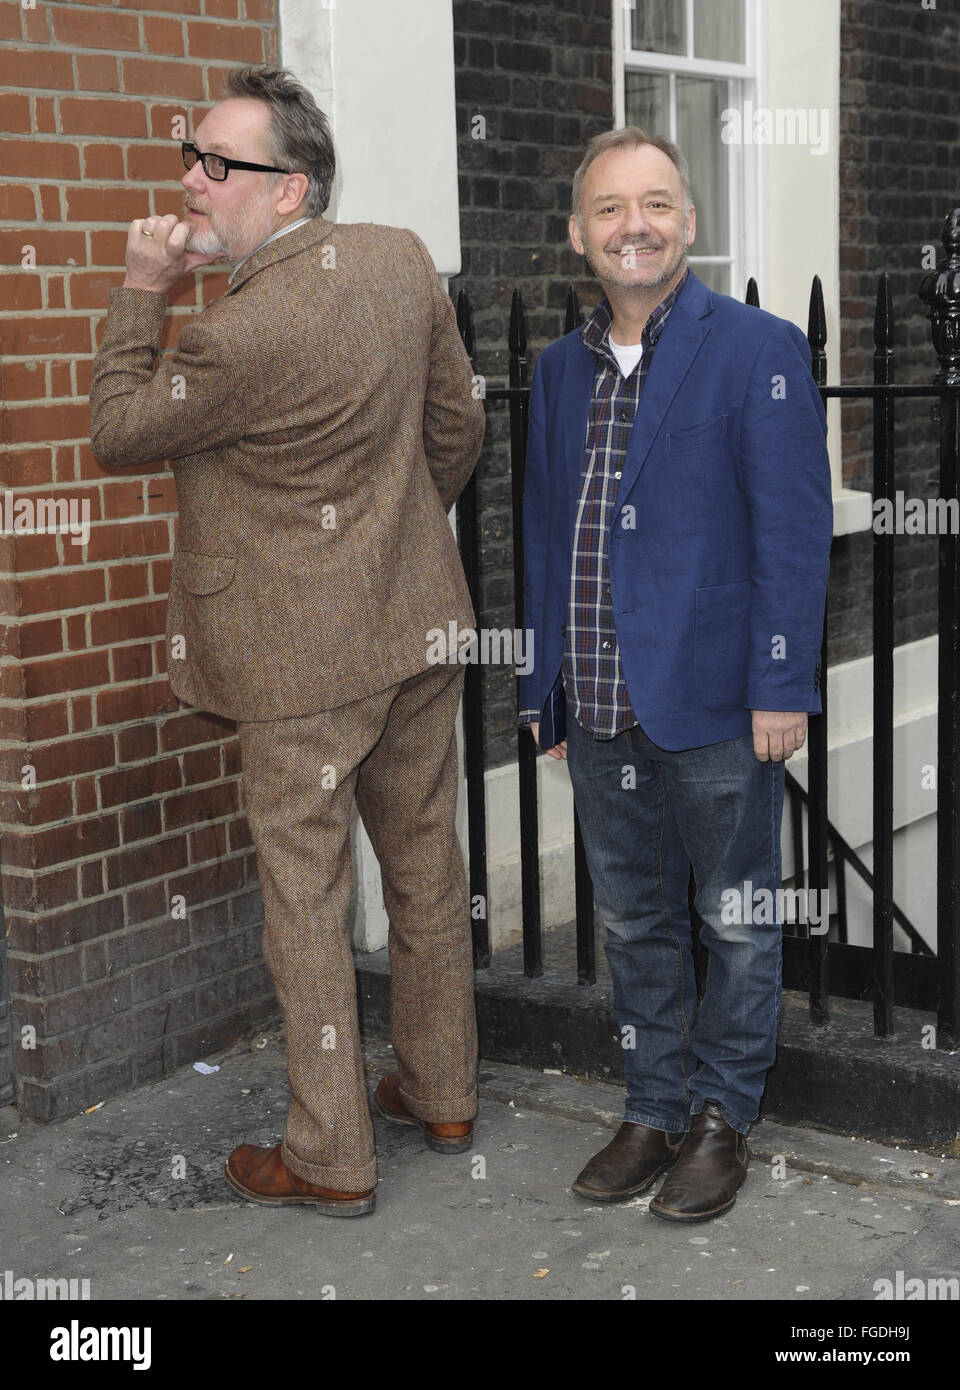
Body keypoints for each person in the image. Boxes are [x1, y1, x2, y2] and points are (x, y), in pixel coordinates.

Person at [89, 65, 485, 1216]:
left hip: (299, 670)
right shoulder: (403, 260)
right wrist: (396, 533)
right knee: (423, 866)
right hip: (415, 628)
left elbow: (116, 428)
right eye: (190, 159)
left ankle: (329, 1155)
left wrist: (140, 288)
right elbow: (454, 430)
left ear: (291, 188)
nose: (192, 182)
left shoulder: (230, 339)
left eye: (222, 165)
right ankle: (442, 1089)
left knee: (305, 903)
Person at [518, 127, 833, 1222]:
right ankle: (652, 1104)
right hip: (600, 701)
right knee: (637, 920)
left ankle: (721, 1115)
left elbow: (792, 533)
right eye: (609, 209)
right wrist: (541, 685)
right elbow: (545, 536)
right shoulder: (560, 370)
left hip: (715, 701)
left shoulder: (759, 350)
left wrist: (783, 683)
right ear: (578, 235)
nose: (633, 225)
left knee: (737, 917)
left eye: (655, 203)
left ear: (688, 223)